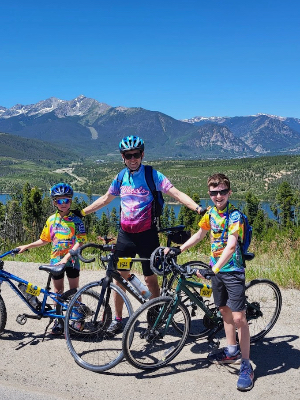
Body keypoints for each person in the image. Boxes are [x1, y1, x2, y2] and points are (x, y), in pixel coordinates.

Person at [81, 135, 204, 335]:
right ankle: (119, 320)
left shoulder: (152, 175)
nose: (132, 158)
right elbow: (105, 199)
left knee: (150, 279)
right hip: (125, 237)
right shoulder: (121, 177)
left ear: (142, 154)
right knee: (119, 279)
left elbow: (177, 194)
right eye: (128, 155)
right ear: (122, 157)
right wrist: (82, 212)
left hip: (148, 235)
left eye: (136, 154)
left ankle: (155, 314)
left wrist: (199, 209)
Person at [169, 173, 254, 391]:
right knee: (224, 310)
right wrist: (180, 249)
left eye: (222, 192)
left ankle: (246, 365)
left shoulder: (234, 216)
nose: (218, 196)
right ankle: (231, 350)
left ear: (229, 193)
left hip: (232, 270)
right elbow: (200, 235)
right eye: (214, 192)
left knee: (239, 318)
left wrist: (213, 269)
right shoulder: (210, 214)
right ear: (209, 193)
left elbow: (232, 245)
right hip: (216, 270)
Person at [17, 182, 87, 334]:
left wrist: (68, 256)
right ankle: (59, 320)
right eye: (60, 201)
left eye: (67, 200)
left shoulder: (76, 220)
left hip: (72, 261)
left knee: (74, 291)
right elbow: (44, 240)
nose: (64, 204)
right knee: (58, 292)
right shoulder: (51, 220)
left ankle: (78, 317)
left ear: (71, 201)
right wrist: (26, 246)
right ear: (54, 202)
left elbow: (81, 241)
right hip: (56, 261)